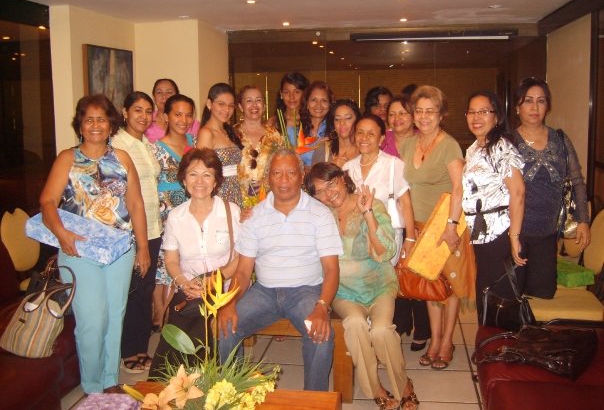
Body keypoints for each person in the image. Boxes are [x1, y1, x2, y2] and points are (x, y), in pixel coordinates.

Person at [39, 94, 149, 394]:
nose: (96, 125)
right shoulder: (67, 158)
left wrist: (142, 247)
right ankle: (92, 386)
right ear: (80, 125)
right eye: (89, 119)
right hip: (78, 250)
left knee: (115, 315)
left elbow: (136, 204)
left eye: (101, 119)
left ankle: (110, 380)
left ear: (111, 125)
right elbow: (47, 202)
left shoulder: (122, 158)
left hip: (119, 250)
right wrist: (62, 234)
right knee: (92, 319)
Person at [218, 148, 342, 391]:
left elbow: (331, 270)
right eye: (277, 173)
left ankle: (314, 403)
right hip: (264, 291)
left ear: (301, 175)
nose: (284, 180)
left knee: (320, 335)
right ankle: (232, 396)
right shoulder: (255, 216)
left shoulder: (319, 214)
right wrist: (229, 303)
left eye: (291, 173)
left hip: (306, 292)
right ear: (268, 178)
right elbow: (243, 271)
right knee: (225, 326)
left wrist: (322, 306)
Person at [306, 163, 419, 410]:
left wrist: (367, 213)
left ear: (342, 179)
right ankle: (374, 388)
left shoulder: (371, 204)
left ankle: (403, 385)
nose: (329, 194)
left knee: (381, 331)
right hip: (344, 292)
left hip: (379, 285)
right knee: (355, 324)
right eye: (320, 191)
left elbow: (386, 251)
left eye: (331, 184)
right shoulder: (319, 216)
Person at [399, 85, 475, 370]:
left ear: (441, 115)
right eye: (419, 111)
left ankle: (446, 342)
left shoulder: (449, 145)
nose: (424, 116)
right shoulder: (409, 144)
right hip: (419, 226)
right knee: (430, 286)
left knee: (450, 287)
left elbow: (459, 188)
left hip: (445, 225)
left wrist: (452, 226)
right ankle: (434, 340)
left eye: (430, 111)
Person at [149, 148, 240, 377]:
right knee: (173, 338)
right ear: (183, 179)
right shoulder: (176, 217)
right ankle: (164, 388)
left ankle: (203, 386)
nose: (199, 181)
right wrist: (183, 282)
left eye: (207, 175)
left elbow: (241, 258)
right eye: (193, 174)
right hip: (188, 290)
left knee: (201, 332)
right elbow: (171, 260)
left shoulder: (231, 212)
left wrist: (214, 280)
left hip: (223, 290)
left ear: (216, 181)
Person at [512, 77, 591, 298]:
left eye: (541, 101)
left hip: (548, 233)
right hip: (514, 232)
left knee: (543, 293)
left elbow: (577, 180)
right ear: (517, 107)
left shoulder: (560, 140)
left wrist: (583, 220)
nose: (534, 107)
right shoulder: (508, 141)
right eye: (528, 101)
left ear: (548, 106)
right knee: (513, 294)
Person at [463, 91, 525, 322]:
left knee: (500, 298)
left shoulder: (500, 147)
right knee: (486, 292)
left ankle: (502, 341)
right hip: (481, 233)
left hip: (500, 232)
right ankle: (489, 339)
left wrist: (514, 237)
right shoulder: (475, 148)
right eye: (472, 112)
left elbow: (518, 191)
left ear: (496, 117)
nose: (476, 117)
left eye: (483, 111)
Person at [112, 91, 162, 372]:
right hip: (130, 231)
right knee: (132, 290)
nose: (143, 116)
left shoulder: (145, 144)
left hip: (153, 226)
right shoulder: (118, 145)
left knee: (145, 290)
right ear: (125, 112)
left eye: (148, 111)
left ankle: (141, 347)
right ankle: (129, 351)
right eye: (137, 110)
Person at [381, 96, 429, 351]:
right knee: (395, 272)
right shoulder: (383, 140)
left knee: (417, 271)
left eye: (402, 113)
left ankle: (422, 327)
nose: (397, 118)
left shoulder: (423, 140)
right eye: (392, 114)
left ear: (412, 116)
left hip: (418, 212)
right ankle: (400, 323)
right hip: (390, 217)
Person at [342, 114, 416, 263]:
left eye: (371, 134)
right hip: (355, 241)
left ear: (381, 138)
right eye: (360, 132)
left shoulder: (394, 164)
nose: (364, 138)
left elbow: (406, 203)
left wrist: (410, 238)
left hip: (387, 237)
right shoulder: (347, 167)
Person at [151, 94, 196, 330]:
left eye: (188, 115)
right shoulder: (154, 149)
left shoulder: (195, 142)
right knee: (164, 263)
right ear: (166, 116)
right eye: (178, 114)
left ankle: (174, 311)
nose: (183, 120)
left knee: (183, 259)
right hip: (165, 212)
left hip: (191, 209)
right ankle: (160, 313)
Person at [234, 85, 284, 209]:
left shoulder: (274, 135)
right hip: (237, 202)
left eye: (258, 100)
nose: (254, 105)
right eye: (249, 101)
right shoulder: (231, 134)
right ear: (240, 106)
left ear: (264, 105)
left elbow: (283, 166)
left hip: (269, 201)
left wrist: (268, 182)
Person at [196, 83, 243, 207]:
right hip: (218, 195)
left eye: (231, 106)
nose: (227, 110)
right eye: (221, 104)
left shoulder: (229, 131)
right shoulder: (206, 133)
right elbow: (202, 171)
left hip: (237, 192)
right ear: (209, 104)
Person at [312, 99, 361, 167]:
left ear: (358, 121)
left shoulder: (365, 147)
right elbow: (314, 173)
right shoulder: (323, 149)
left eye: (348, 118)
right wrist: (331, 166)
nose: (342, 123)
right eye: (337, 119)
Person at [297, 80, 334, 167]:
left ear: (330, 104)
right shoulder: (294, 132)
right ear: (307, 103)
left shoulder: (335, 132)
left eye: (324, 101)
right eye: (314, 100)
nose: (318, 105)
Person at [268, 72, 309, 143]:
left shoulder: (310, 121)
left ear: (304, 93)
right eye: (286, 92)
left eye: (297, 92)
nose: (291, 97)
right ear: (281, 94)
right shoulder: (273, 122)